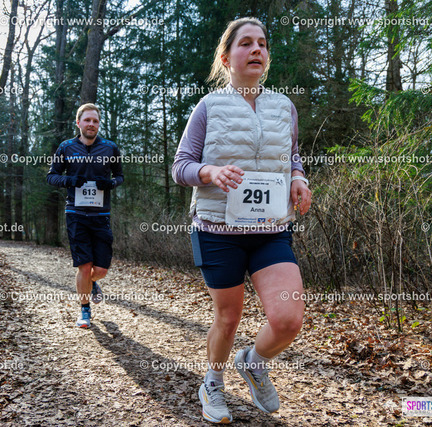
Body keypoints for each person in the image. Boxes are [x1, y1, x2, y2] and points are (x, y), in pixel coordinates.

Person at [172, 17, 311, 423]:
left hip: (271, 230)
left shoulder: (284, 106)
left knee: (288, 320)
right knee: (229, 318)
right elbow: (181, 166)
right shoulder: (209, 107)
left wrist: (298, 179)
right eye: (246, 43)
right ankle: (212, 383)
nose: (256, 50)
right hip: (218, 230)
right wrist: (209, 172)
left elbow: (292, 156)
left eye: (262, 44)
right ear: (226, 57)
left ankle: (253, 362)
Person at [47, 103, 124, 328]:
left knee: (100, 270)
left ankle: (92, 284)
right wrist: (70, 180)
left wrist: (110, 183)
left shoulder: (110, 148)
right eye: (87, 120)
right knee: (84, 265)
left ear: (99, 124)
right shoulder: (66, 147)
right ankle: (84, 310)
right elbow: (52, 176)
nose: (91, 124)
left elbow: (119, 176)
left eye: (95, 121)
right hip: (76, 213)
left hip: (101, 215)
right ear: (78, 123)